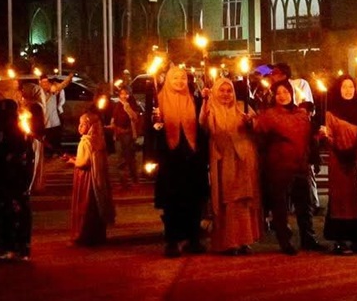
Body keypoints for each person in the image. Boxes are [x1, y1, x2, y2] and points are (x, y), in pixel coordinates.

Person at [254, 79, 325, 255]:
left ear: (292, 93)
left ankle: (308, 238)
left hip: (300, 166)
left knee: (304, 205)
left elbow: (309, 138)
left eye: (285, 92)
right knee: (280, 206)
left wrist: (318, 135)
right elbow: (261, 140)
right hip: (279, 168)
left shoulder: (301, 114)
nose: (282, 96)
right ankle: (285, 240)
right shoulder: (269, 115)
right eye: (278, 93)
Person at [199, 77, 263, 255]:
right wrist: (204, 100)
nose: (226, 94)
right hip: (224, 161)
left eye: (229, 91)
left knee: (243, 200)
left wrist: (251, 122)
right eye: (221, 90)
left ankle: (244, 240)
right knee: (228, 201)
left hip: (244, 160)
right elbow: (203, 123)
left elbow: (257, 126)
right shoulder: (211, 108)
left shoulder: (242, 106)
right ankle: (229, 242)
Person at [153, 65, 209, 257]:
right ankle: (172, 240)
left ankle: (193, 238)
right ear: (168, 80)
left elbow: (202, 126)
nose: (179, 81)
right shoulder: (159, 100)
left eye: (183, 78)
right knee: (172, 201)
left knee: (193, 200)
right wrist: (156, 126)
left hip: (192, 159)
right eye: (175, 78)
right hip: (171, 160)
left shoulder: (194, 100)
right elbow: (151, 130)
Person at [320, 74, 357, 255]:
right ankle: (340, 240)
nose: (348, 90)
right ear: (339, 89)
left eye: (351, 87)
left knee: (356, 198)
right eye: (344, 87)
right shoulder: (331, 113)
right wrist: (325, 137)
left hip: (356, 160)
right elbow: (328, 137)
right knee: (340, 199)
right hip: (338, 161)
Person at [0, 99, 35, 261]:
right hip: (7, 178)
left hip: (11, 179)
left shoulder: (16, 129)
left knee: (10, 211)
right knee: (10, 211)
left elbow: (26, 154)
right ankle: (15, 247)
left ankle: (12, 247)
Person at [68, 112, 116, 245]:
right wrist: (74, 158)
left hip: (86, 179)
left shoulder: (86, 141)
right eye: (79, 124)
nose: (79, 127)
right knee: (94, 205)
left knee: (85, 205)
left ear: (91, 126)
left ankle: (84, 235)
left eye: (83, 124)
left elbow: (83, 163)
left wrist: (72, 161)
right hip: (96, 179)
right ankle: (97, 235)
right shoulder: (99, 140)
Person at [110, 86, 142, 189]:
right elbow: (114, 118)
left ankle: (135, 180)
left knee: (130, 158)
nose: (124, 96)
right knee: (120, 159)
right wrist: (112, 125)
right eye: (122, 94)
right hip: (118, 134)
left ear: (129, 95)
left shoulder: (131, 104)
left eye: (126, 94)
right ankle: (123, 182)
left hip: (128, 134)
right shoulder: (117, 105)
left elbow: (135, 118)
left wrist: (127, 108)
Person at [39, 73, 74, 157]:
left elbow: (62, 85)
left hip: (54, 120)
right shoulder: (38, 92)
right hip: (44, 121)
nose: (45, 84)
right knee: (46, 139)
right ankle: (48, 153)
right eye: (43, 82)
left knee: (55, 138)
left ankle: (56, 153)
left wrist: (69, 78)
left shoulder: (52, 89)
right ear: (40, 82)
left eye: (46, 82)